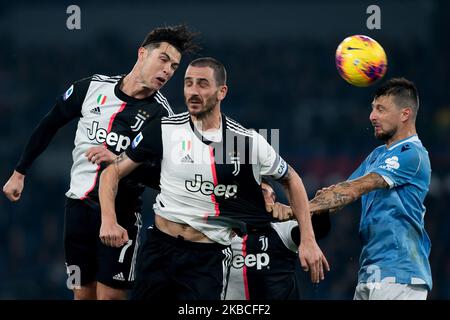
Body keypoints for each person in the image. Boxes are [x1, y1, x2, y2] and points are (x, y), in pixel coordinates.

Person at [99, 57, 329, 300]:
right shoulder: (164, 129)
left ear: (222, 92)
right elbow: (112, 172)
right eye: (188, 84)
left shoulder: (246, 142)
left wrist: (308, 240)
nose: (193, 91)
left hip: (206, 258)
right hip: (159, 248)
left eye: (202, 84)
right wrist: (108, 220)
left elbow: (291, 179)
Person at [2, 25, 199, 300]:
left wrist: (123, 160)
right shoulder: (92, 88)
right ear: (142, 54)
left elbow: (166, 176)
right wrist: (20, 172)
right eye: (163, 60)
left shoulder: (162, 116)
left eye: (175, 67)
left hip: (122, 216)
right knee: (82, 296)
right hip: (77, 210)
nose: (167, 71)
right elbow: (50, 123)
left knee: (109, 298)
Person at [309, 78, 431, 300]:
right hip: (370, 273)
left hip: (400, 277)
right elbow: (342, 193)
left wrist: (294, 210)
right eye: (373, 108)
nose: (372, 116)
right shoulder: (377, 155)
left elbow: (356, 188)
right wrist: (312, 208)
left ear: (404, 114)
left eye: (380, 109)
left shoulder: (413, 153)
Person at [226, 180, 330, 300]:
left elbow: (318, 229)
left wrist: (321, 212)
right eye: (264, 193)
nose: (271, 200)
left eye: (273, 196)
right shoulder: (223, 235)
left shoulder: (282, 230)